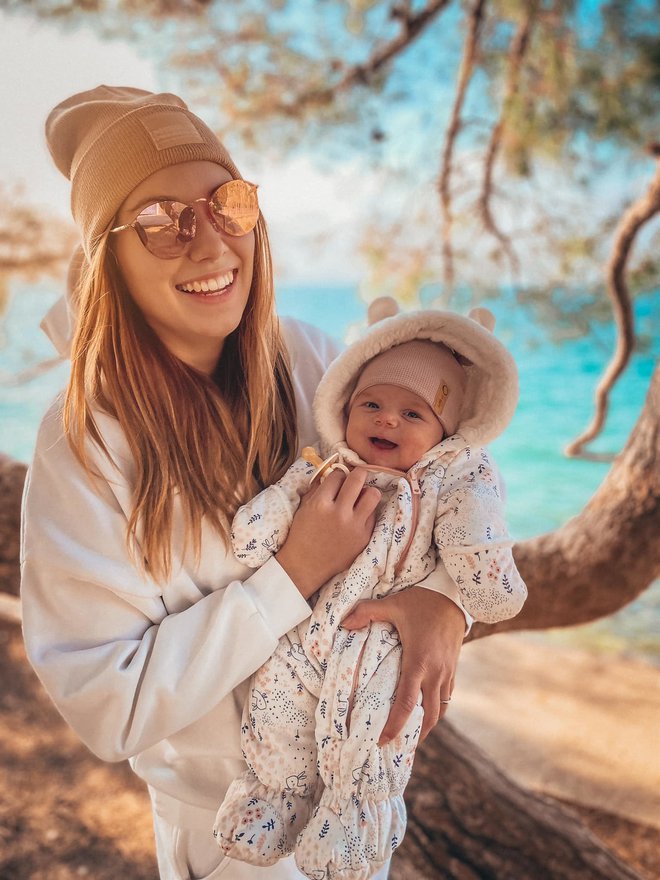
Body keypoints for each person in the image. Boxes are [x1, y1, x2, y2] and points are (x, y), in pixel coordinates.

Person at [19, 86, 468, 880]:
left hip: (353, 810)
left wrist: (441, 601)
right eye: (159, 223)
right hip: (227, 840)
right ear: (108, 259)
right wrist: (291, 572)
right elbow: (107, 706)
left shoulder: (313, 359)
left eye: (226, 202)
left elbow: (432, 494)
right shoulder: (86, 439)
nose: (209, 242)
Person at [213, 304, 527, 880]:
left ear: (444, 433)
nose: (387, 421)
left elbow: (476, 535)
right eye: (372, 405)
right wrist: (263, 529)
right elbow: (275, 514)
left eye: (413, 413)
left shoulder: (444, 482)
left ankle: (353, 820)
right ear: (346, 405)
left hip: (382, 643)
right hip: (304, 626)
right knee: (277, 702)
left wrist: (467, 593)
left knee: (374, 730)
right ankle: (276, 798)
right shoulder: (327, 468)